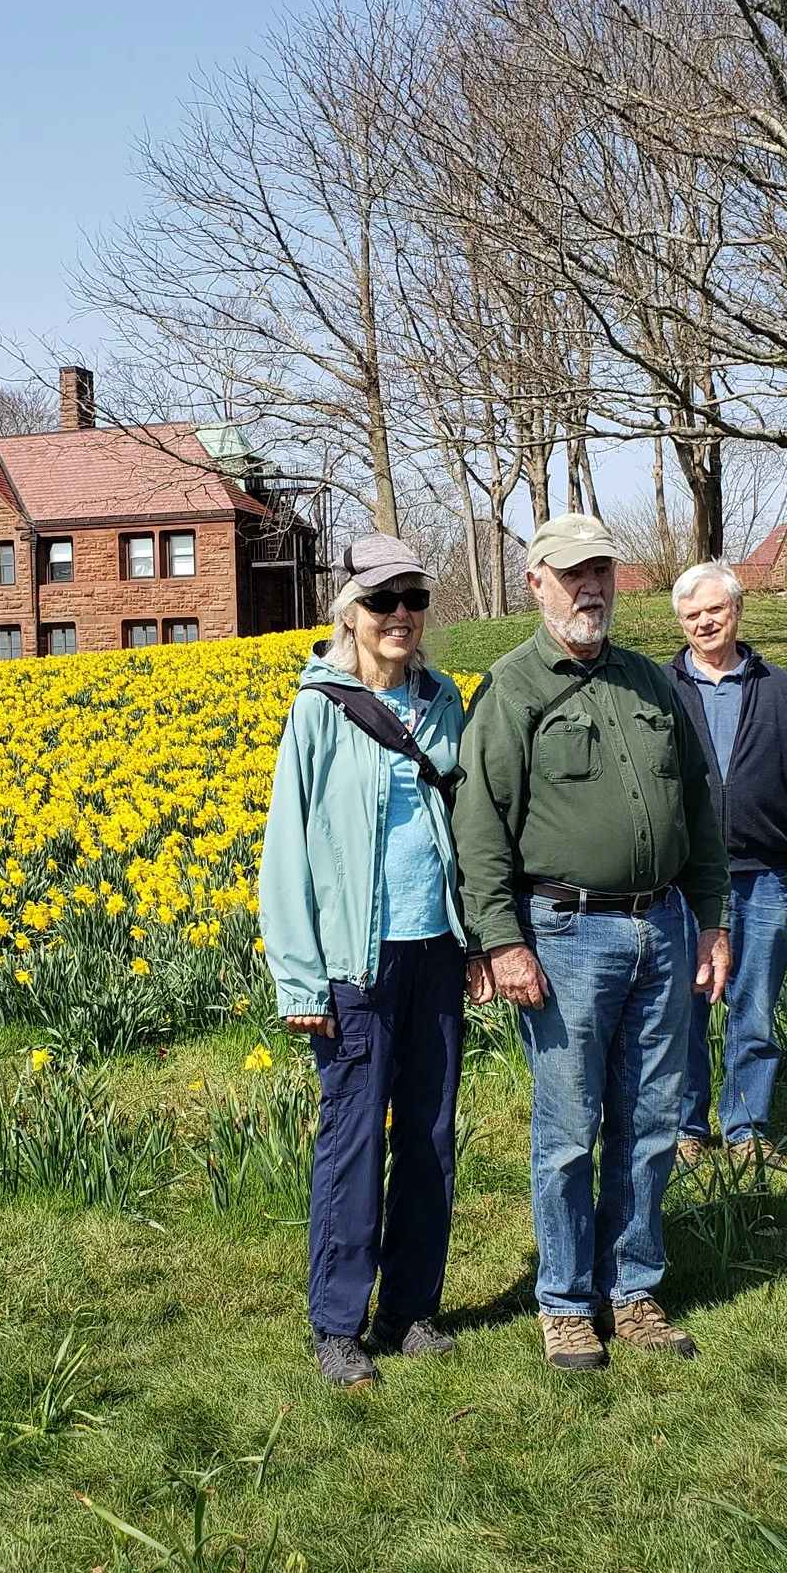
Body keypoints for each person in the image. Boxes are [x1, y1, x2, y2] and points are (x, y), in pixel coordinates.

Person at [454, 512, 731, 1373]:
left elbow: (700, 809)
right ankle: (567, 1301)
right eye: (571, 573)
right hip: (564, 933)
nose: (591, 588)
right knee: (570, 1129)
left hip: (663, 925)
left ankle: (635, 1288)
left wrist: (713, 917)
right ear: (536, 582)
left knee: (651, 1123)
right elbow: (481, 829)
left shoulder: (653, 684)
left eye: (601, 571)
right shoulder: (510, 690)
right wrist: (501, 940)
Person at [259, 535, 484, 1391]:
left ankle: (411, 1307)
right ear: (348, 611)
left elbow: (469, 825)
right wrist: (299, 978)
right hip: (353, 962)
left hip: (435, 949)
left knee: (429, 1133)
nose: (400, 615)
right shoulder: (318, 707)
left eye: (414, 599)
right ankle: (338, 1323)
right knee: (354, 1139)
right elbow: (287, 850)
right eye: (383, 600)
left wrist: (476, 935)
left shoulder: (444, 702)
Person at [665, 561, 787, 1166]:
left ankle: (746, 1128)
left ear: (737, 611)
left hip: (763, 875)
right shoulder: (660, 691)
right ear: (681, 622)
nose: (705, 622)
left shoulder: (782, 691)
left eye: (715, 609)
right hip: (681, 880)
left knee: (755, 1007)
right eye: (693, 615)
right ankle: (685, 1126)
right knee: (680, 1008)